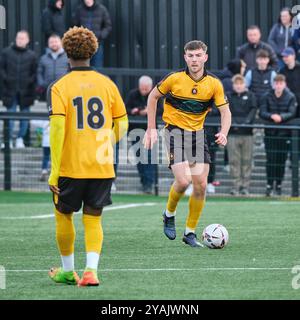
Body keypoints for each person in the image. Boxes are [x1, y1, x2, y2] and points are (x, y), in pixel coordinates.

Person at [47, 26, 128, 286]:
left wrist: (54, 170)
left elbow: (58, 130)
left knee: (64, 215)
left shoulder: (59, 87)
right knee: (93, 218)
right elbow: (123, 123)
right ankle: (91, 271)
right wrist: (105, 141)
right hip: (101, 165)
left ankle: (68, 271)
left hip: (71, 167)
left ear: (67, 52)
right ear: (94, 50)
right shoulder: (108, 84)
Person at [144, 40, 231, 247]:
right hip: (174, 131)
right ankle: (168, 214)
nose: (194, 59)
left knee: (200, 185)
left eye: (198, 55)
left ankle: (190, 233)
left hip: (198, 135)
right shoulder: (174, 79)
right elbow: (152, 97)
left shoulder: (214, 84)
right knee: (183, 181)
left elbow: (225, 112)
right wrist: (151, 128)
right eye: (190, 56)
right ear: (185, 57)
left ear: (205, 57)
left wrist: (224, 132)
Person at [259, 74, 297, 196]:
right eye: (276, 83)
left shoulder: (291, 96)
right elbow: (262, 112)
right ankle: (269, 185)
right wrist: (272, 116)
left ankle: (279, 185)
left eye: (281, 83)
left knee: (281, 160)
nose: (278, 85)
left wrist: (281, 117)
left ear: (284, 84)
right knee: (270, 160)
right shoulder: (266, 96)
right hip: (270, 133)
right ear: (273, 84)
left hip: (284, 134)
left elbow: (292, 112)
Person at [0, 30, 37, 148]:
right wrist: (7, 80)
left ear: (27, 40)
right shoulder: (6, 53)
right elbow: (1, 69)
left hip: (26, 92)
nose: (20, 40)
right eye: (18, 38)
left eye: (23, 38)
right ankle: (8, 141)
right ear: (15, 39)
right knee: (9, 117)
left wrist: (29, 83)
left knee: (24, 117)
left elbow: (34, 73)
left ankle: (20, 139)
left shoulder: (32, 55)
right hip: (9, 90)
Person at [126, 76, 157, 194]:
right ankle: (144, 183)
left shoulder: (155, 94)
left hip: (149, 131)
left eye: (146, 88)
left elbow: (161, 109)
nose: (144, 90)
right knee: (139, 158)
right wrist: (134, 111)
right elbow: (126, 108)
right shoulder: (132, 94)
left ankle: (149, 183)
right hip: (135, 131)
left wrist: (148, 111)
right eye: (142, 88)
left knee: (149, 157)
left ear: (150, 87)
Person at [227, 75, 257, 196]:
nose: (239, 86)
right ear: (233, 85)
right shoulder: (228, 96)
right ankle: (235, 186)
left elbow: (253, 110)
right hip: (233, 134)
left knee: (247, 161)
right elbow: (226, 111)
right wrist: (233, 123)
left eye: (241, 84)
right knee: (234, 161)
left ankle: (245, 186)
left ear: (244, 85)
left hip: (247, 134)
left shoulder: (251, 96)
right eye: (236, 84)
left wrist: (247, 123)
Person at [72, 0, 112, 68]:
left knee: (97, 68)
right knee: (83, 68)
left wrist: (101, 35)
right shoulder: (79, 10)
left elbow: (108, 26)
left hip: (97, 44)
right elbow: (74, 26)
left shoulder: (102, 9)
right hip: (83, 45)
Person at [37, 34, 69, 101]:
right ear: (48, 44)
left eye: (56, 41)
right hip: (49, 91)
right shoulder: (43, 58)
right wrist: (42, 84)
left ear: (61, 43)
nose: (54, 44)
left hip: (64, 90)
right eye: (51, 42)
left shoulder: (68, 57)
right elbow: (39, 72)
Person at [281, 47, 300, 118]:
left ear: (294, 56)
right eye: (284, 56)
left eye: (287, 56)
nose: (285, 58)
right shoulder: (282, 71)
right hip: (288, 102)